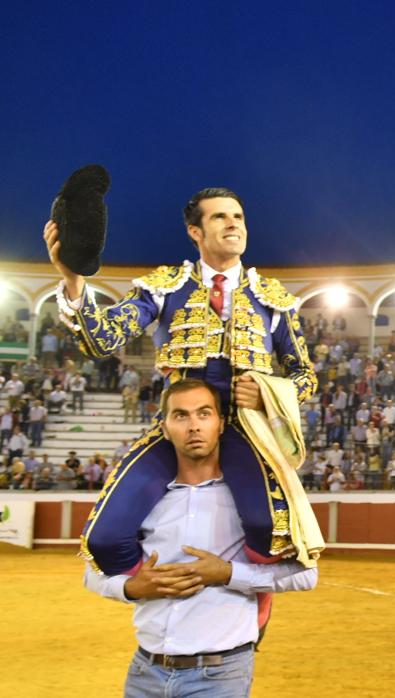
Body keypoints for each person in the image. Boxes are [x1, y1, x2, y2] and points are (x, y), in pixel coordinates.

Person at [46, 187, 319, 577]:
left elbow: (304, 376)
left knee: (270, 530)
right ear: (195, 232)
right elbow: (102, 339)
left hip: (247, 428)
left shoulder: (273, 298)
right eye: (220, 217)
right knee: (103, 539)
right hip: (178, 423)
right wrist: (73, 279)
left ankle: (252, 603)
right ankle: (156, 590)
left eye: (238, 217)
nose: (233, 224)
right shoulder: (165, 287)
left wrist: (268, 393)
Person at [84, 380, 318, 696]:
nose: (194, 426)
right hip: (145, 670)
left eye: (204, 414)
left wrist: (228, 574)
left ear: (220, 424)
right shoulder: (144, 500)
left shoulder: (254, 499)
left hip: (220, 676)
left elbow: (306, 575)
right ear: (164, 428)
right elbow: (92, 574)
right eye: (180, 416)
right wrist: (131, 587)